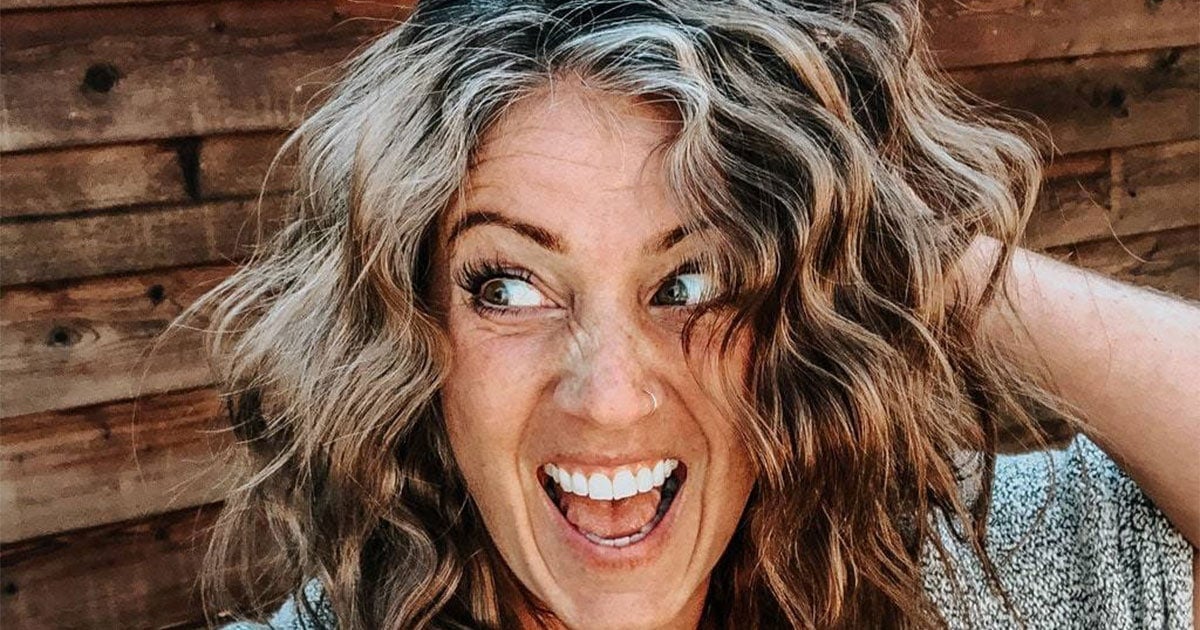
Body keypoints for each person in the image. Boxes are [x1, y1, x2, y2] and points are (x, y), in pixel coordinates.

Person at [184, 0, 1197, 627]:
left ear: (799, 314)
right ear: (408, 335)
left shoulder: (964, 584)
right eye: (508, 286)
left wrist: (905, 243)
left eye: (692, 283)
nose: (610, 399)